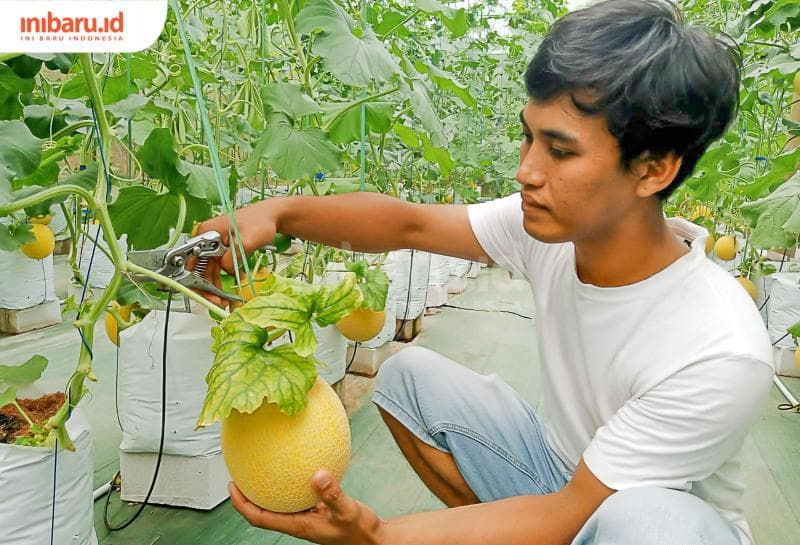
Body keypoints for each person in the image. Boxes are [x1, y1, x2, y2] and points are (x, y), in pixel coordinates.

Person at [196, 0, 773, 543]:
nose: (526, 170)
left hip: (641, 521)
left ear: (653, 171)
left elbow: (573, 511)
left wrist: (379, 536)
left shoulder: (718, 347)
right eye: (528, 137)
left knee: (647, 518)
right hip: (563, 473)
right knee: (406, 379)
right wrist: (278, 213)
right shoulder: (552, 229)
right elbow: (409, 226)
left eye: (560, 151)